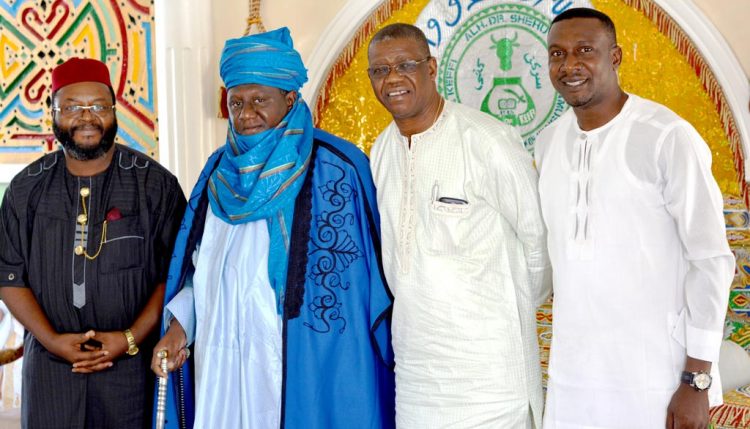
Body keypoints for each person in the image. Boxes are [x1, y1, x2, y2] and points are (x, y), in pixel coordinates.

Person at [151, 27, 395, 429]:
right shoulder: (215, 173)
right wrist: (179, 327)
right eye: (236, 102)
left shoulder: (338, 168)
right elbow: (198, 272)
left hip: (305, 366)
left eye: (260, 100)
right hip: (221, 363)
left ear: (290, 98)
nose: (246, 114)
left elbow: (368, 290)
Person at [536, 8, 734, 429]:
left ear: (616, 57)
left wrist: (696, 380)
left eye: (585, 50)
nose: (569, 65)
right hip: (574, 380)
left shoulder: (665, 136)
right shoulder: (548, 142)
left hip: (655, 379)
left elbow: (711, 260)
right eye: (557, 54)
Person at [367, 23, 551, 428]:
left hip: (489, 377)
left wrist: (508, 307)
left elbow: (539, 241)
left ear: (431, 68)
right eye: (379, 71)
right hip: (417, 374)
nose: (392, 79)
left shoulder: (487, 140)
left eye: (405, 65)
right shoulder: (381, 151)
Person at [0, 57, 186, 428]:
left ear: (115, 112)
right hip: (51, 371)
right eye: (72, 107)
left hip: (132, 370)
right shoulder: (26, 189)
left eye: (99, 106)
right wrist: (52, 341)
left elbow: (176, 273)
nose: (87, 117)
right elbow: (8, 276)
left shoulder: (155, 185)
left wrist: (129, 339)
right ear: (52, 113)